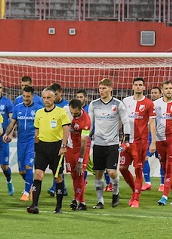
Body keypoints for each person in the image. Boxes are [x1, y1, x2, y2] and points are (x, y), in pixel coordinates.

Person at [27, 88, 71, 214]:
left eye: (49, 98)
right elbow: (37, 132)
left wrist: (63, 145)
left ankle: (58, 206)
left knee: (58, 177)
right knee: (38, 175)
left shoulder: (61, 112)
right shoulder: (39, 113)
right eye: (44, 98)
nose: (46, 100)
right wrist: (36, 148)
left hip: (56, 148)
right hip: (42, 148)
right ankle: (34, 205)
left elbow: (66, 130)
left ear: (54, 98)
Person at [88, 78, 128, 209]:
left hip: (112, 144)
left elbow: (126, 121)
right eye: (100, 88)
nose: (101, 91)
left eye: (104, 88)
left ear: (111, 88)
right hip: (98, 143)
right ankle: (100, 201)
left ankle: (116, 192)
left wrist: (126, 139)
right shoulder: (94, 104)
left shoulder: (118, 104)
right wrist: (87, 137)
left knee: (111, 172)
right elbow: (90, 123)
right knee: (98, 173)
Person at [120, 77, 157, 208]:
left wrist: (153, 142)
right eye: (136, 85)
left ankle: (136, 198)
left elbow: (152, 123)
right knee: (122, 168)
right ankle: (134, 190)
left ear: (144, 87)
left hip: (140, 142)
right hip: (126, 141)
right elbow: (121, 120)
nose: (138, 87)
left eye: (140, 85)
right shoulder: (125, 101)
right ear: (132, 86)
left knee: (138, 169)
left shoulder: (148, 103)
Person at [4, 85, 38, 201]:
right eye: (24, 96)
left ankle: (26, 193)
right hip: (21, 141)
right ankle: (32, 186)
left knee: (29, 165)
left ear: (32, 96)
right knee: (22, 171)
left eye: (28, 96)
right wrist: (7, 134)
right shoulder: (18, 107)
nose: (25, 98)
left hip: (32, 141)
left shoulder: (38, 109)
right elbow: (12, 123)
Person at [66, 98, 92, 210]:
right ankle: (83, 202)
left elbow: (84, 142)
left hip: (82, 148)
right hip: (69, 148)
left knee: (80, 173)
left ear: (81, 109)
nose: (74, 115)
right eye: (72, 113)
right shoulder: (65, 112)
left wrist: (80, 161)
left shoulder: (86, 120)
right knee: (73, 175)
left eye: (76, 113)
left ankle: (76, 199)